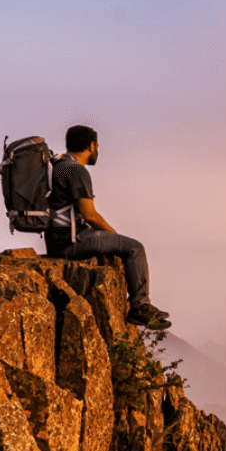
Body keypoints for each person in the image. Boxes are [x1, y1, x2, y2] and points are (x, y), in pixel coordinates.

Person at [44, 125, 171, 328]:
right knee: (134, 248)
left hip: (55, 239)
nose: (98, 151)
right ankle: (139, 307)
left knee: (125, 246)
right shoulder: (77, 171)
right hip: (70, 241)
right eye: (98, 146)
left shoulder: (58, 165)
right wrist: (116, 238)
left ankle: (140, 305)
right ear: (91, 145)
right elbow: (90, 215)